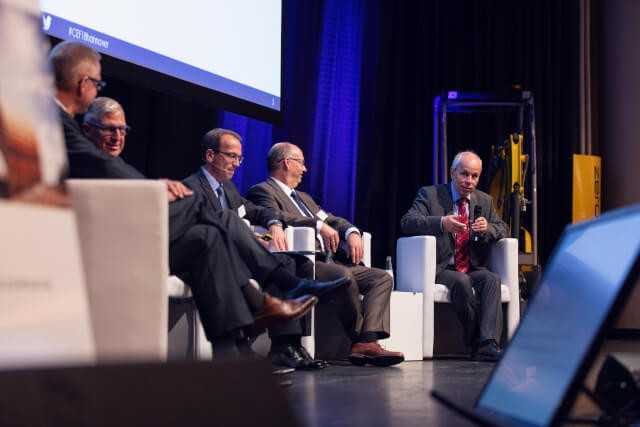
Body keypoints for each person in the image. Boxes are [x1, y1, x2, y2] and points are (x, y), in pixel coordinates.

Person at [49, 42, 340, 357]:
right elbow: (100, 167)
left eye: (123, 130)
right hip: (100, 238)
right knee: (203, 204)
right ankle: (269, 294)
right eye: (97, 83)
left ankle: (233, 352)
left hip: (133, 231)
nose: (118, 137)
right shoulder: (52, 119)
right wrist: (153, 188)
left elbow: (104, 167)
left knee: (209, 237)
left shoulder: (63, 124)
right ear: (83, 83)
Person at [183, 128, 346, 370]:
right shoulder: (192, 186)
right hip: (214, 257)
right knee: (280, 264)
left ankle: (287, 345)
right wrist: (250, 237)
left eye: (240, 158)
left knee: (295, 262)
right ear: (210, 155)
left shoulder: (228, 189)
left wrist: (273, 224)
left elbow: (257, 211)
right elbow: (204, 227)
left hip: (239, 254)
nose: (236, 164)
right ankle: (279, 341)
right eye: (230, 156)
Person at [247, 142, 405, 367]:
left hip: (330, 260)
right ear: (286, 162)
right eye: (301, 163)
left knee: (381, 278)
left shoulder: (303, 197)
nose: (305, 169)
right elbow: (276, 215)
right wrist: (317, 225)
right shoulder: (262, 191)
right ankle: (361, 342)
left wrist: (350, 231)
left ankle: (368, 340)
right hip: (304, 262)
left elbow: (331, 218)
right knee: (343, 276)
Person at [400, 151, 508, 362]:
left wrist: (488, 229)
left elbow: (503, 228)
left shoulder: (484, 201)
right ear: (452, 173)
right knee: (461, 280)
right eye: (464, 174)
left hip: (472, 265)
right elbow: (407, 222)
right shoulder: (430, 195)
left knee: (492, 279)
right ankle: (477, 341)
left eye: (474, 176)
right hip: (442, 268)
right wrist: (441, 223)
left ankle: (488, 344)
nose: (469, 181)